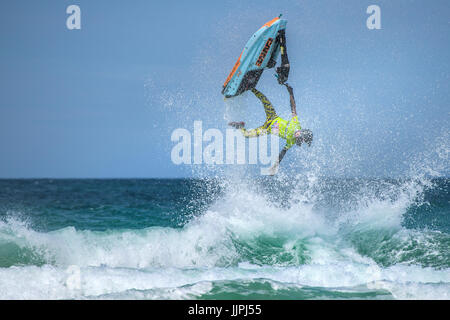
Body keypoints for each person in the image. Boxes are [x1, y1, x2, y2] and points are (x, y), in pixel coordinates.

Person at [228, 83, 313, 175]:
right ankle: (251, 88)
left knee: (246, 135)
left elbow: (282, 154)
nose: (297, 135)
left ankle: (240, 127)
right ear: (302, 131)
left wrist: (274, 167)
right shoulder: (296, 124)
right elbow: (293, 108)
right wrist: (291, 93)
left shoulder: (291, 141)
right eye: (299, 134)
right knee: (264, 100)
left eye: (299, 138)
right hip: (272, 116)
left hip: (266, 129)